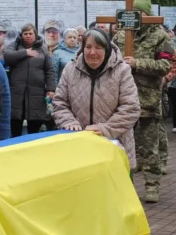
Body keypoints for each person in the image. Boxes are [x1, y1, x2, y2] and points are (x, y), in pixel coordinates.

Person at [112, 0, 175, 203]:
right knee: (120, 146)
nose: (137, 17)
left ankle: (152, 186)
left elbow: (166, 66)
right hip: (121, 100)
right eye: (134, 12)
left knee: (150, 147)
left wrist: (137, 63)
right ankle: (122, 186)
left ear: (148, 15)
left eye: (141, 13)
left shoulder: (160, 36)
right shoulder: (120, 36)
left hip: (147, 98)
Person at [53, 29, 141, 170]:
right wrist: (68, 121)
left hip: (115, 147)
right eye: (88, 47)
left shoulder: (122, 70)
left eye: (98, 48)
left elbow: (131, 108)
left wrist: (104, 129)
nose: (92, 52)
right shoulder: (70, 69)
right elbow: (59, 102)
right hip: (80, 148)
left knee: (114, 191)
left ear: (106, 49)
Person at [4, 23, 55, 137]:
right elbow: (7, 56)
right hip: (17, 93)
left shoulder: (43, 48)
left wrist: (51, 89)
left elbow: (49, 70)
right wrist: (25, 52)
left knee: (34, 129)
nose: (28, 36)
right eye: (25, 34)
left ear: (35, 35)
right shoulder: (15, 46)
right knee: (15, 127)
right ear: (21, 35)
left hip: (36, 93)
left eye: (30, 33)